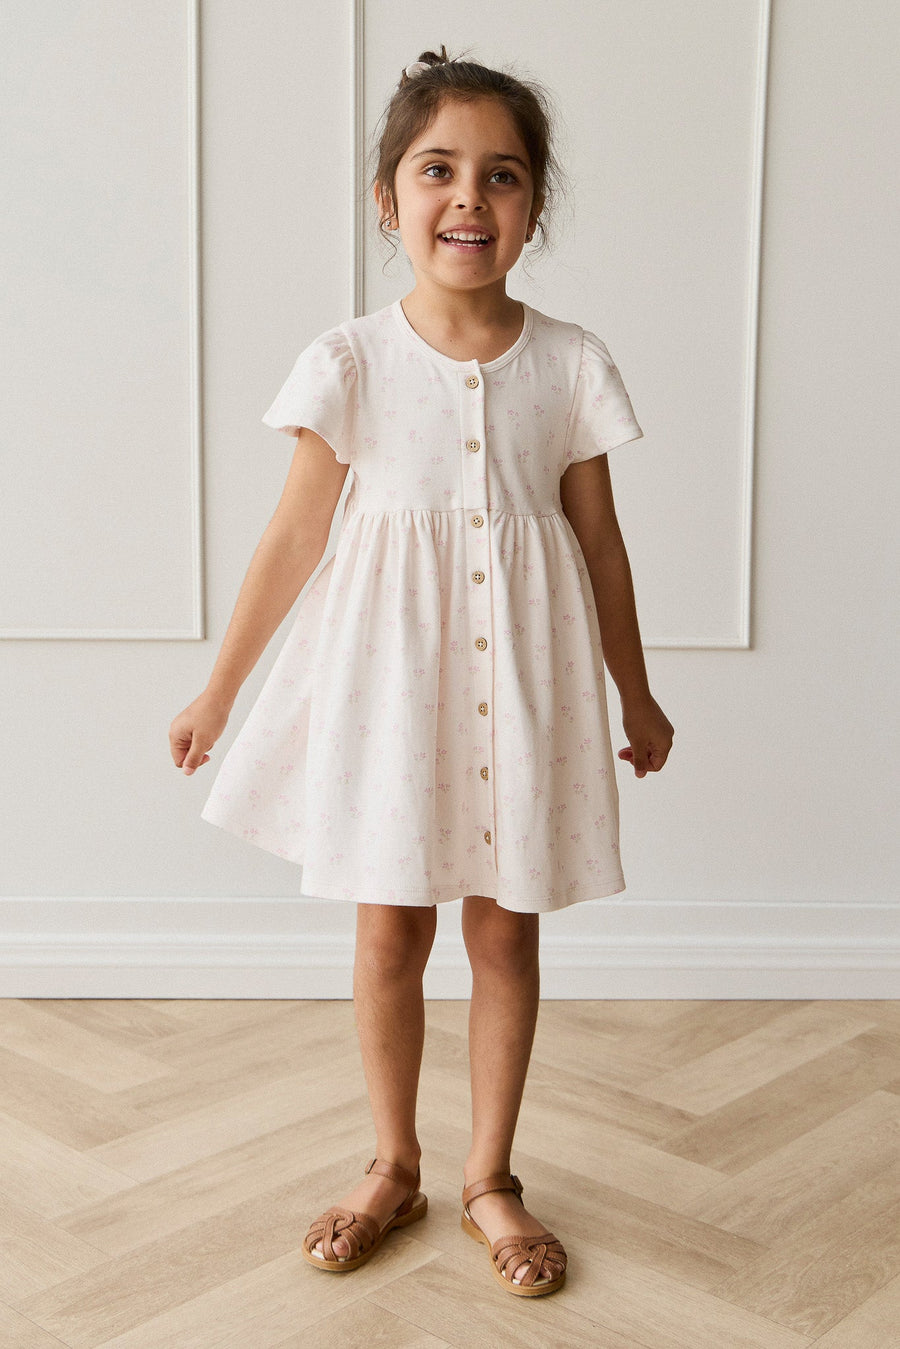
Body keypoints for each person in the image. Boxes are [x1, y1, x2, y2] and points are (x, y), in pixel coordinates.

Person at [169, 45, 673, 1297]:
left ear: (534, 207)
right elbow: (293, 535)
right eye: (437, 170)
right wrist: (219, 690)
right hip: (391, 691)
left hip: (527, 693)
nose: (468, 197)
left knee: (505, 931)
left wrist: (637, 687)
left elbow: (601, 542)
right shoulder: (350, 360)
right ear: (386, 199)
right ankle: (392, 1160)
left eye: (501, 175)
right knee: (390, 926)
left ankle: (490, 1174)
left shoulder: (571, 362)